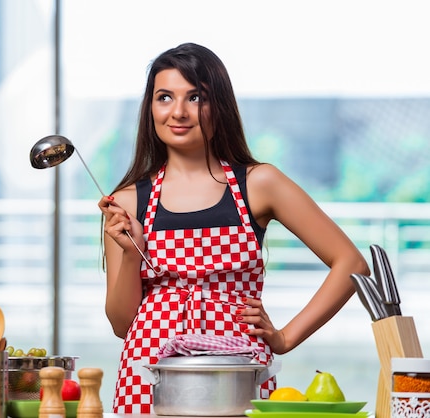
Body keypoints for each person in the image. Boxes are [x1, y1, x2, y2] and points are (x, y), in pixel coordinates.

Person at [97, 42, 370, 414]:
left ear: (218, 107)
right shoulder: (126, 202)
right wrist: (132, 254)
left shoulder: (260, 184)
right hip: (148, 375)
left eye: (196, 98)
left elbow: (352, 264)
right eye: (164, 97)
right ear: (150, 108)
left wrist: (285, 338)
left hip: (238, 372)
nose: (178, 112)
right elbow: (121, 324)